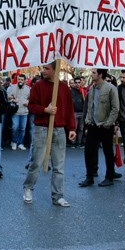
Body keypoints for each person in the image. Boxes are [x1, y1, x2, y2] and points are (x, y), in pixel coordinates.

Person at [22, 61, 76, 207]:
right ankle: (28, 188)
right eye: (43, 68)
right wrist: (45, 110)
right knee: (36, 162)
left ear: (55, 70)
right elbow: (32, 106)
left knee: (59, 165)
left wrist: (72, 128)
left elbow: (69, 109)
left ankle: (58, 196)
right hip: (42, 128)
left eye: (47, 69)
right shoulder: (38, 86)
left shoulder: (64, 88)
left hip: (59, 129)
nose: (43, 71)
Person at [81, 69, 120, 187]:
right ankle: (89, 177)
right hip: (93, 125)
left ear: (100, 74)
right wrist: (88, 122)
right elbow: (89, 107)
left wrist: (109, 123)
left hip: (105, 126)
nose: (91, 74)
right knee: (88, 150)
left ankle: (109, 176)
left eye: (93, 72)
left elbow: (115, 108)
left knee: (108, 152)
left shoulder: (110, 88)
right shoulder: (91, 89)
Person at [7, 74, 30, 151]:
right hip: (15, 112)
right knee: (15, 127)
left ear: (24, 81)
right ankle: (14, 141)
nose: (20, 81)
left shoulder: (28, 89)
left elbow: (31, 99)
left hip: (24, 112)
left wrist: (28, 102)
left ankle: (20, 143)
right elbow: (7, 97)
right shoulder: (12, 87)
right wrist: (13, 100)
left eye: (21, 80)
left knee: (23, 129)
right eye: (19, 79)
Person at [69, 76, 86, 148]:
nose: (77, 84)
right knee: (74, 128)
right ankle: (73, 142)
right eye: (76, 83)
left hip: (82, 112)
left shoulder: (83, 91)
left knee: (81, 128)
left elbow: (85, 101)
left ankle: (79, 142)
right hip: (74, 112)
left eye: (79, 82)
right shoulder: (71, 91)